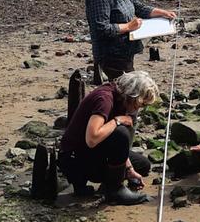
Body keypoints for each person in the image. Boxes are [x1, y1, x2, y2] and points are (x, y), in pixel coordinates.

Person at [59, 70, 159, 205]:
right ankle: (115, 190)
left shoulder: (120, 98)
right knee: (121, 133)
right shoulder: (105, 99)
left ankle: (109, 183)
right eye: (141, 105)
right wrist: (117, 120)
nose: (139, 109)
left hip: (91, 151)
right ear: (133, 96)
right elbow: (92, 139)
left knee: (143, 165)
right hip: (74, 158)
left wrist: (129, 170)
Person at [85, 0, 177, 80]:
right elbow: (101, 28)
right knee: (126, 91)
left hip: (125, 51)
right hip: (111, 56)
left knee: (128, 88)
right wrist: (128, 26)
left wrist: (159, 12)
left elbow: (136, 5)